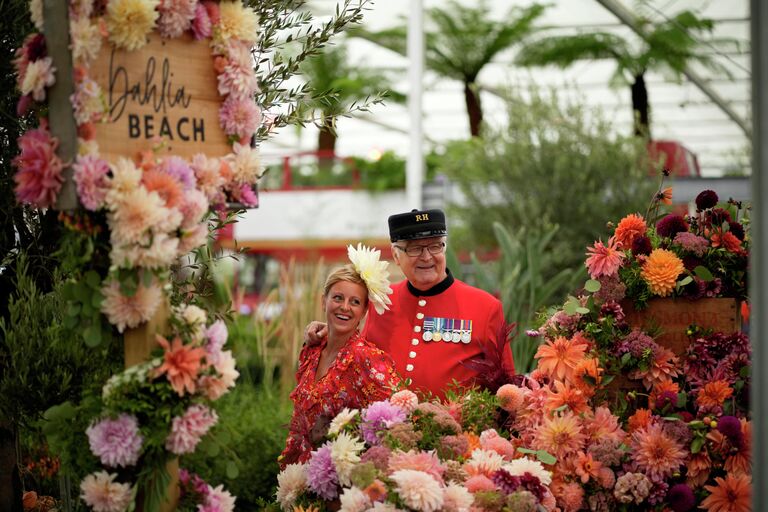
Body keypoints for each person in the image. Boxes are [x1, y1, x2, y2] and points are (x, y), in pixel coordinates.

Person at [306, 208, 515, 399]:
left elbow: (506, 387)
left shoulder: (486, 307)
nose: (426, 257)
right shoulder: (381, 301)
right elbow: (356, 354)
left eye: (435, 246)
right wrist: (328, 333)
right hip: (387, 434)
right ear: (396, 256)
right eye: (414, 249)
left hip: (458, 436)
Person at [280, 245, 400, 467]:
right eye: (338, 298)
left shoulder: (367, 358)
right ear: (323, 301)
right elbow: (299, 420)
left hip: (343, 478)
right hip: (302, 474)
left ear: (364, 311)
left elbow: (395, 422)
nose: (344, 307)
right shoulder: (311, 350)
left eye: (355, 302)